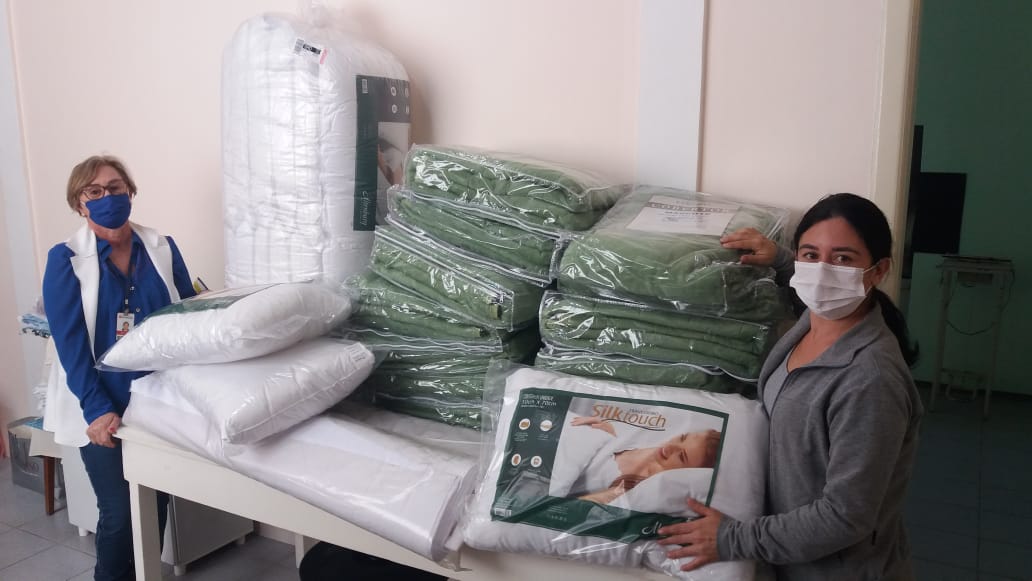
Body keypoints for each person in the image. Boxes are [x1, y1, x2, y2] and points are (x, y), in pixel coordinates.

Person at [656, 193, 922, 580]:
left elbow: (845, 517)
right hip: (787, 559)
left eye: (843, 259)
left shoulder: (870, 380)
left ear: (878, 271)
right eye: (811, 255)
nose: (822, 273)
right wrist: (781, 258)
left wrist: (732, 539)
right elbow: (808, 281)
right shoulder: (814, 321)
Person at [42, 155, 195, 581]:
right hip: (101, 403)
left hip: (157, 398)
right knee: (119, 513)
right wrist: (97, 410)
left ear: (130, 191)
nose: (106, 197)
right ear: (79, 203)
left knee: (156, 502)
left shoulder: (161, 246)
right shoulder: (66, 259)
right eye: (94, 191)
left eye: (115, 188)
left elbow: (189, 316)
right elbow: (71, 346)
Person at [568, 416, 721, 505]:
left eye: (681, 457)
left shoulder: (634, 490)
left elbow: (577, 508)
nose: (669, 447)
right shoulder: (651, 437)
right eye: (682, 438)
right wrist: (610, 427)